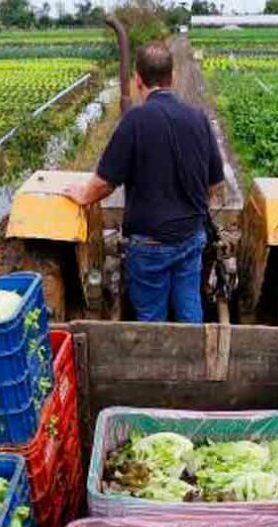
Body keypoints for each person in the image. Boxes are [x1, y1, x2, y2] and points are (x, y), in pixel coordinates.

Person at [63, 41, 225, 323]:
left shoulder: (134, 121)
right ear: (171, 78)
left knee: (151, 317)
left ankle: (154, 363)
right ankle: (195, 359)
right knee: (189, 309)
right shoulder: (199, 119)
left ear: (138, 81)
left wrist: (82, 195)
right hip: (190, 239)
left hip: (149, 246)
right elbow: (214, 185)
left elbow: (104, 184)